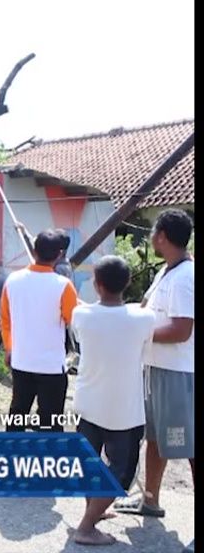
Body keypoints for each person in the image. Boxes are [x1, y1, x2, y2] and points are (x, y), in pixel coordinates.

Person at [114, 210, 195, 533]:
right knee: (156, 439)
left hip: (177, 374)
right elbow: (151, 314)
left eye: (152, 232)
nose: (150, 237)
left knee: (189, 445)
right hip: (157, 369)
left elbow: (180, 330)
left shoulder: (185, 277)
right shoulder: (168, 272)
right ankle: (150, 500)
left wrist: (138, 333)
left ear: (162, 236)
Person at [70, 255, 156, 546]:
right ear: (129, 283)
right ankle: (86, 526)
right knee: (120, 472)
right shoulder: (145, 318)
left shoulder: (80, 315)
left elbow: (81, 338)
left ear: (96, 285)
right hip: (124, 411)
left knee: (89, 463)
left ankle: (93, 510)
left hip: (88, 404)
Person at [0, 229, 78, 432]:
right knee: (50, 422)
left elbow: (6, 320)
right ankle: (47, 461)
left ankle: (11, 458)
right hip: (51, 366)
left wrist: (9, 348)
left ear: (34, 251)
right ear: (60, 254)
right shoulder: (64, 286)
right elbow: (74, 322)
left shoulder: (12, 281)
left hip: (21, 361)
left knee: (17, 414)